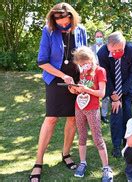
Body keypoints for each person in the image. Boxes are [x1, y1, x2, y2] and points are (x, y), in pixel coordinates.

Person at [29, 3, 87, 181]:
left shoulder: (81, 30)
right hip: (55, 79)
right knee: (51, 118)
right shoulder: (48, 31)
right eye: (58, 20)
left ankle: (66, 154)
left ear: (71, 16)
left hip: (76, 80)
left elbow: (86, 57)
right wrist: (63, 76)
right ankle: (38, 162)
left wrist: (84, 78)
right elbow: (42, 62)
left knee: (72, 119)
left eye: (65, 19)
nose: (62, 23)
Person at [68, 46, 113, 181]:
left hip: (92, 108)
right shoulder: (82, 73)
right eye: (80, 65)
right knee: (81, 136)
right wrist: (74, 89)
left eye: (84, 63)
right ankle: (82, 163)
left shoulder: (100, 71)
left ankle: (106, 167)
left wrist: (87, 89)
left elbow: (101, 93)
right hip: (79, 107)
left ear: (90, 58)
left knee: (97, 137)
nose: (82, 66)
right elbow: (79, 90)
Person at [97, 31, 132, 157]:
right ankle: (116, 146)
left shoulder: (131, 49)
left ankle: (128, 144)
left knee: (127, 113)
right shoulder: (102, 53)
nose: (118, 52)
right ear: (108, 46)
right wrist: (113, 96)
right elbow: (106, 76)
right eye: (114, 50)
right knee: (116, 115)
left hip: (128, 86)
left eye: (121, 49)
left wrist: (120, 94)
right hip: (112, 87)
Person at [90, 30, 110, 123]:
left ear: (103, 37)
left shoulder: (107, 48)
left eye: (100, 36)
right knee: (93, 93)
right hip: (93, 74)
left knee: (105, 96)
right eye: (97, 36)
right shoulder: (90, 48)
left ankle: (104, 115)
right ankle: (93, 114)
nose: (99, 38)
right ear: (95, 38)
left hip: (105, 74)